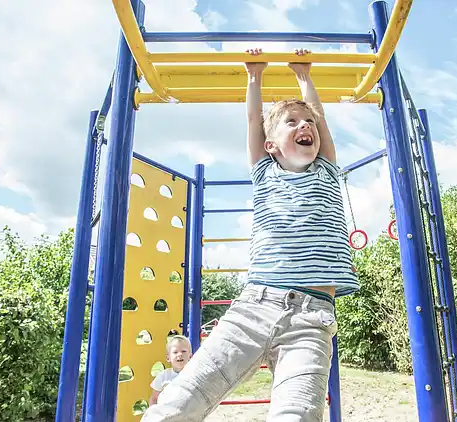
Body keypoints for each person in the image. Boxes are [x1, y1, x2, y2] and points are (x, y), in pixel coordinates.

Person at [141, 48, 359, 422]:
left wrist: (304, 76)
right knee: (179, 402)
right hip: (254, 307)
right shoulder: (263, 172)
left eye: (307, 122)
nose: (305, 126)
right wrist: (254, 75)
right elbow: (253, 121)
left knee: (297, 414)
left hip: (311, 321)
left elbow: (320, 119)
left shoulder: (326, 170)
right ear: (270, 145)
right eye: (292, 122)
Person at [149, 335, 193, 407]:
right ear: (168, 358)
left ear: (190, 356)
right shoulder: (163, 376)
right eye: (175, 352)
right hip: (166, 411)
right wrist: (152, 411)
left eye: (183, 351)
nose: (180, 354)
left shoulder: (193, 375)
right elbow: (154, 398)